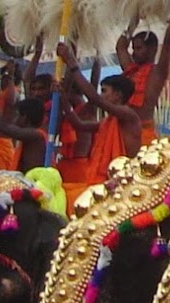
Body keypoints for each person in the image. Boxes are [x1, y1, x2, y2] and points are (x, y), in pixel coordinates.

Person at [57, 46, 143, 203]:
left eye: (104, 91)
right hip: (103, 185)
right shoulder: (108, 121)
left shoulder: (129, 116)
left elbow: (95, 99)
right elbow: (79, 125)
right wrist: (62, 99)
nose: (101, 95)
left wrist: (72, 64)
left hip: (122, 186)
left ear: (118, 95)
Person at [115, 17, 170, 142]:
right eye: (133, 49)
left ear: (153, 49)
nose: (133, 53)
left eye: (138, 48)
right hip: (122, 133)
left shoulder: (158, 72)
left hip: (142, 133)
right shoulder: (131, 70)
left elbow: (168, 40)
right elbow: (120, 47)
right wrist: (133, 20)